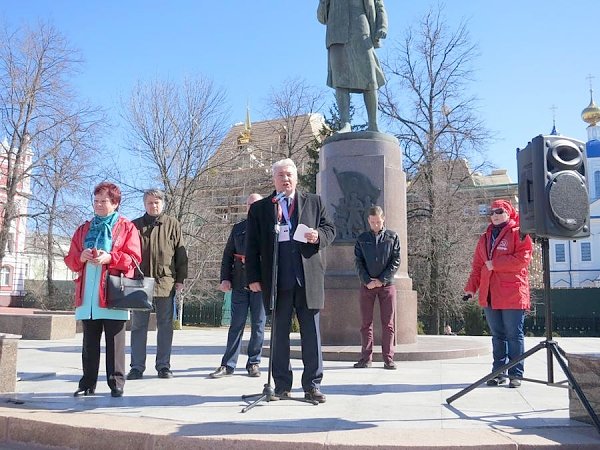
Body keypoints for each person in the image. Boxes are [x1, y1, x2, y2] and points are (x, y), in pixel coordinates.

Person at [245, 158, 336, 403]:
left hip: (308, 279)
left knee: (311, 335)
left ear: (296, 177)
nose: (285, 179)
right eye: (280, 175)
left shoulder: (314, 202)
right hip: (277, 281)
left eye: (289, 175)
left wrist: (318, 236)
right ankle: (282, 385)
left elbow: (331, 229)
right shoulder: (262, 208)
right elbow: (251, 245)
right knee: (279, 336)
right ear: (274, 179)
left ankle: (312, 385)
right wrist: (252, 277)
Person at [64, 182, 142, 398]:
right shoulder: (83, 229)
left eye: (104, 201)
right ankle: (87, 383)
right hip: (88, 295)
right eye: (96, 200)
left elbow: (134, 259)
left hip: (113, 293)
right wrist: (80, 257)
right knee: (89, 343)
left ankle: (116, 383)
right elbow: (70, 260)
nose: (98, 205)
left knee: (115, 343)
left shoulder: (127, 227)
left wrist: (110, 258)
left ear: (115, 203)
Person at [464, 199, 533, 389]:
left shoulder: (519, 233)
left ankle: (516, 374)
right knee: (497, 335)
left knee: (513, 335)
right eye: (492, 212)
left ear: (509, 213)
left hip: (512, 293)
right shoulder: (484, 237)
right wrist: (471, 288)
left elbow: (523, 258)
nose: (495, 215)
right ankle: (498, 373)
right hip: (490, 294)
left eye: (499, 211)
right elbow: (478, 267)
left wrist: (496, 264)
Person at [127, 189, 188, 380]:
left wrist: (180, 280)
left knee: (165, 326)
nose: (154, 206)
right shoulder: (134, 226)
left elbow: (181, 254)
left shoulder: (172, 224)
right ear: (144, 204)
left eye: (157, 202)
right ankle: (137, 367)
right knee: (138, 326)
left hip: (166, 281)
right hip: (140, 282)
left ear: (163, 204)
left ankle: (163, 366)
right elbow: (128, 253)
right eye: (150, 203)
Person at [210, 193, 267, 379]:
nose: (252, 207)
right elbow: (228, 256)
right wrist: (225, 279)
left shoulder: (270, 229)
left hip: (260, 285)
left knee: (258, 325)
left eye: (256, 204)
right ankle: (228, 364)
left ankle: (254, 363)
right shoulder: (238, 228)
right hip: (240, 283)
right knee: (236, 325)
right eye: (250, 204)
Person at [317, 0, 388, 132]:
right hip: (336, 33)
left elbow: (379, 5)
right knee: (340, 79)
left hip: (361, 29)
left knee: (369, 78)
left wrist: (382, 26)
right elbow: (321, 18)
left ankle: (373, 123)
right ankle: (345, 123)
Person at [353, 206, 401, 369]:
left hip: (387, 286)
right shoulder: (362, 238)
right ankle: (366, 358)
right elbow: (358, 262)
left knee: (388, 324)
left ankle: (388, 358)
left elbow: (396, 261)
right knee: (366, 323)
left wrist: (382, 280)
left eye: (378, 222)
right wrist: (367, 280)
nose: (375, 225)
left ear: (383, 219)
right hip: (367, 285)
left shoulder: (392, 237)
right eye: (372, 222)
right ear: (368, 220)